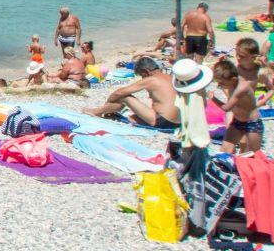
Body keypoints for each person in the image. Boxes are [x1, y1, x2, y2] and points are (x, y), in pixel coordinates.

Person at [166, 57, 213, 198]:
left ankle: (189, 188)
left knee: (189, 161)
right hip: (194, 139)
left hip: (187, 134)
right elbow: (196, 119)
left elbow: (183, 117)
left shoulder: (185, 96)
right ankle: (194, 189)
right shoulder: (197, 95)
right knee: (196, 165)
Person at [91, 56, 177, 129]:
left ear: (146, 72)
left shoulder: (151, 79)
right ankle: (108, 112)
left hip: (162, 121)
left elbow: (119, 93)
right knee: (133, 116)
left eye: (142, 76)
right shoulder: (170, 77)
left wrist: (108, 103)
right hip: (178, 122)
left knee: (125, 97)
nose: (143, 79)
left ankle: (97, 111)